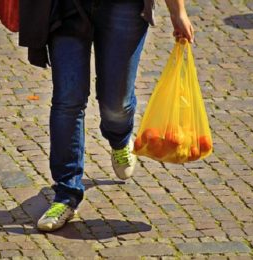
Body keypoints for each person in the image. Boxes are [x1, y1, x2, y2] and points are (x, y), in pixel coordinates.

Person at [35, 0, 195, 232]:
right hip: (66, 5)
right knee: (67, 100)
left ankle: (120, 138)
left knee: (115, 104)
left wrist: (177, 11)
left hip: (125, 6)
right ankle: (66, 194)